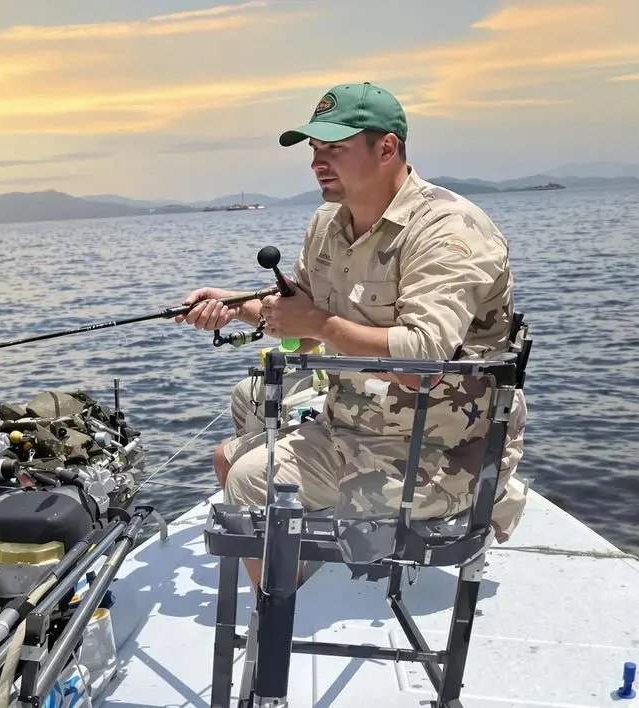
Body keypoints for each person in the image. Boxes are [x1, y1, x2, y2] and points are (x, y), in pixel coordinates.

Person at [178, 82, 528, 589]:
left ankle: (279, 616)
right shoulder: (326, 224)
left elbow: (422, 358)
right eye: (315, 150)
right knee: (231, 463)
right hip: (351, 427)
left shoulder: (450, 229)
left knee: (251, 482)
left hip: (435, 454)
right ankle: (287, 592)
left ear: (386, 147)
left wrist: (316, 326)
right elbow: (298, 318)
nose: (318, 162)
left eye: (335, 149)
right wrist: (229, 305)